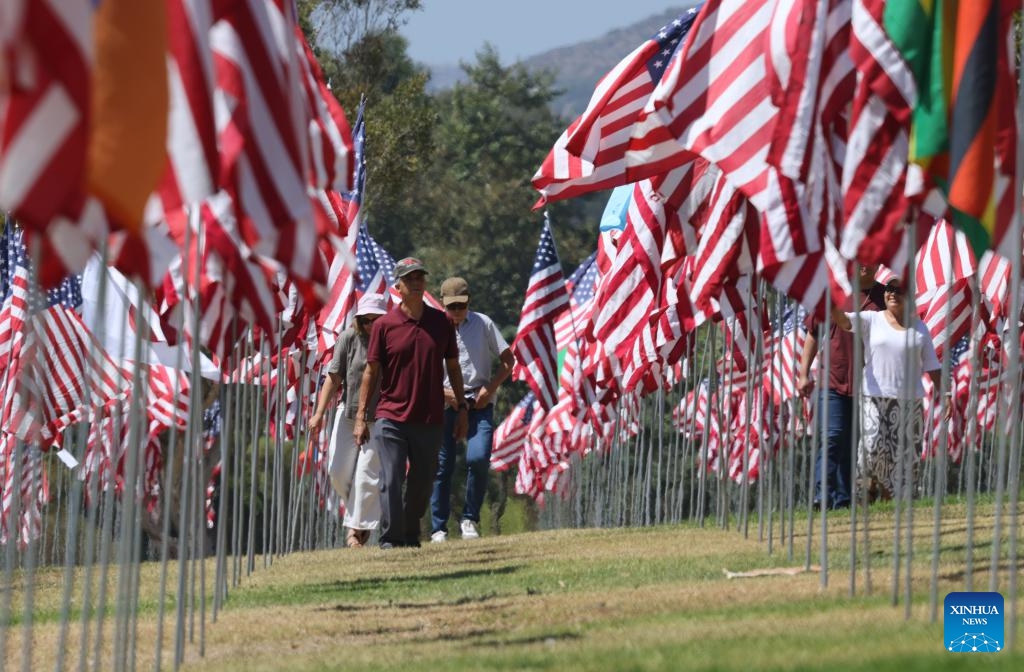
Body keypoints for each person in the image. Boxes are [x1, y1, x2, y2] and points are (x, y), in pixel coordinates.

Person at [354, 258, 468, 549]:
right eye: (410, 278)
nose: (417, 282)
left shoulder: (441, 322)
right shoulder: (384, 325)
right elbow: (371, 371)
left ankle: (409, 530)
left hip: (429, 418)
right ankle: (391, 538)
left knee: (422, 482)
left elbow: (453, 367)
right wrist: (360, 416)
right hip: (390, 416)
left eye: (420, 277)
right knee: (391, 479)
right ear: (399, 287)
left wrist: (463, 408)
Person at [832, 277, 948, 501]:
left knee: (904, 458)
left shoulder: (920, 328)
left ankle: (888, 498)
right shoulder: (872, 320)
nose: (893, 293)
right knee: (872, 444)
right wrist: (831, 304)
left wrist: (947, 394)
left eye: (899, 290)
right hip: (874, 397)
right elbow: (845, 322)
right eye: (889, 289)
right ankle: (874, 482)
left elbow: (933, 366)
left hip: (909, 402)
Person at [429, 277, 515, 542]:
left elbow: (508, 360)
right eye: (451, 306)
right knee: (442, 466)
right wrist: (447, 395)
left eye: (461, 306)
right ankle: (439, 527)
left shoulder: (484, 324)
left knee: (478, 459)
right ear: (442, 304)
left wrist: (490, 388)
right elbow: (424, 372)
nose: (456, 312)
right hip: (445, 403)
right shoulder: (433, 328)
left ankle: (469, 519)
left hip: (479, 403)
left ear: (469, 302)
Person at [797, 264, 886, 510]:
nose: (866, 266)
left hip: (870, 384)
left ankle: (843, 499)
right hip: (832, 378)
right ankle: (821, 495)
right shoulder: (835, 292)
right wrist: (803, 374)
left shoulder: (886, 297)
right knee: (833, 436)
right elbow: (813, 333)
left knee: (853, 442)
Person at [309, 293, 387, 548]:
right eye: (366, 320)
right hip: (348, 413)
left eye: (377, 320)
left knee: (366, 474)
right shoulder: (348, 338)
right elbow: (334, 377)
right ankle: (360, 513)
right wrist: (319, 413)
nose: (371, 326)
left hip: (380, 416)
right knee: (337, 472)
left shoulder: (392, 342)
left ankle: (355, 531)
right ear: (359, 320)